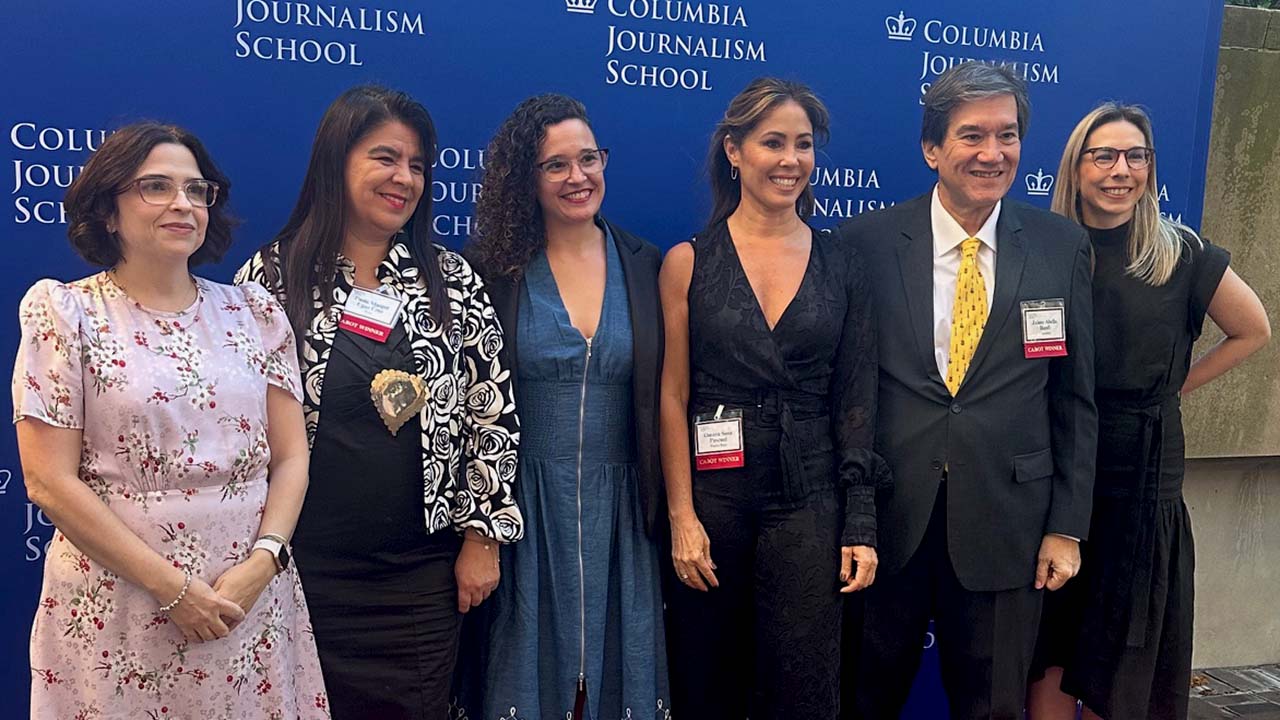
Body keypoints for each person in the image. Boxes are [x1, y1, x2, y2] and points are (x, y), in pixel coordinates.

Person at [12, 122, 328, 719]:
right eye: (155, 187)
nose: (182, 203)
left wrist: (264, 562)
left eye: (196, 189)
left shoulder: (254, 312)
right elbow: (48, 481)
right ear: (108, 210)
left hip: (249, 599)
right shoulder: (66, 313)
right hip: (122, 603)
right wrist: (174, 591)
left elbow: (290, 457)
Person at [235, 85, 521, 719]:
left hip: (418, 576)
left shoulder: (451, 279)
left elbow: (490, 410)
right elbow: (241, 422)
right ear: (337, 161)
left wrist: (484, 537)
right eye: (385, 158)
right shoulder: (271, 280)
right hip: (301, 569)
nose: (405, 178)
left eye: (417, 165)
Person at [836, 62, 1098, 719]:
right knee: (863, 699)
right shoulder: (864, 244)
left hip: (1010, 525)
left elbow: (1075, 399)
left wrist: (1066, 527)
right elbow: (847, 394)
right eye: (972, 136)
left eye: (1007, 135)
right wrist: (849, 512)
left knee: (993, 709)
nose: (992, 153)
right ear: (932, 149)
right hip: (889, 525)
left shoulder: (1060, 246)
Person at [1026, 103, 1269, 720]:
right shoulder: (1044, 252)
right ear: (1075, 166)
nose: (1120, 170)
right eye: (1103, 155)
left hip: (1142, 475)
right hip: (1054, 467)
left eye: (1136, 156)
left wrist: (1173, 386)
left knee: (1127, 657)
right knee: (1050, 645)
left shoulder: (1181, 255)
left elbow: (1252, 330)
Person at [659, 77, 884, 719]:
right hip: (713, 503)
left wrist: (860, 521)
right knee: (708, 686)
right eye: (773, 142)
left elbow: (856, 398)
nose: (791, 160)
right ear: (735, 151)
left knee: (804, 691)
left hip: (810, 501)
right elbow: (671, 398)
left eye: (804, 145)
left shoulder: (842, 263)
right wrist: (681, 517)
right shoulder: (688, 262)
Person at [458, 92, 670, 720]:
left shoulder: (646, 265)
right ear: (526, 179)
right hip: (521, 509)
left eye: (589, 158)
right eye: (556, 165)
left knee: (615, 675)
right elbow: (468, 410)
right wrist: (480, 529)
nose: (578, 177)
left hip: (625, 513)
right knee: (521, 676)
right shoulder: (492, 271)